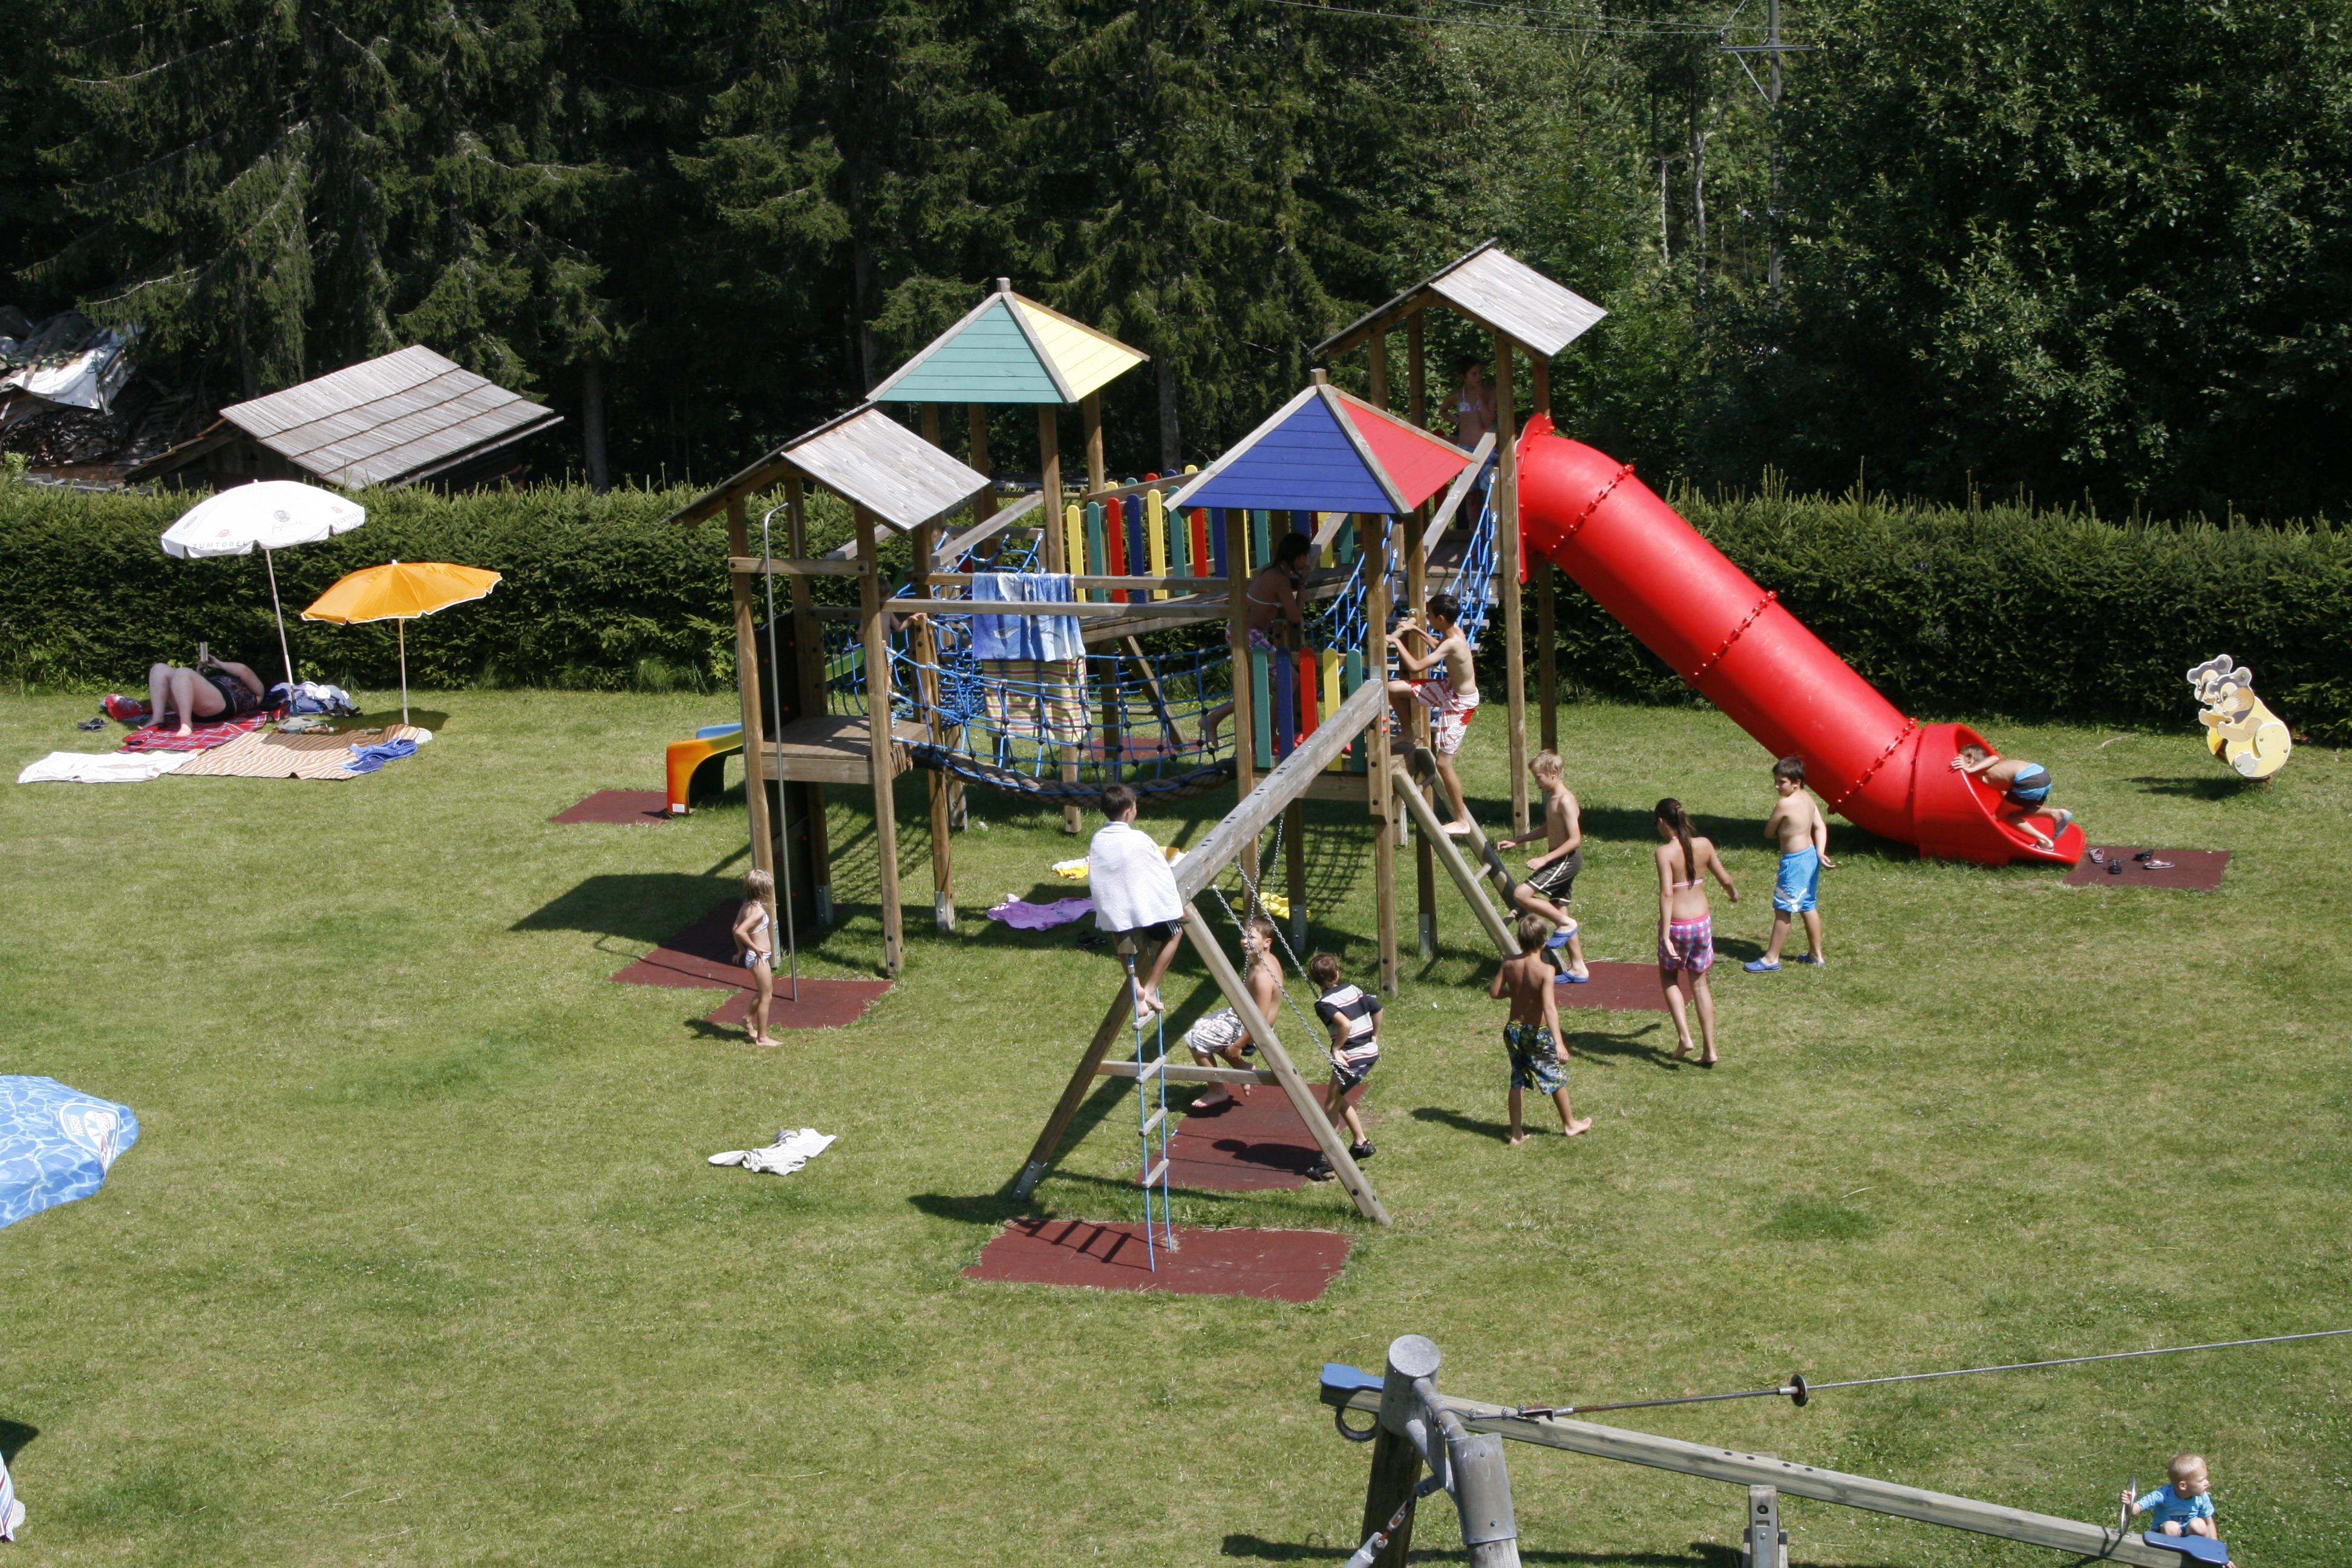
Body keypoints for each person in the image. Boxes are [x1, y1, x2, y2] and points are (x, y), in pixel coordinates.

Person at [1489, 912, 1592, 1143]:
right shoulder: (1546, 970)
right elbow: (1549, 1008)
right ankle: (1570, 1124)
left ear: (1520, 939)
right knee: (1555, 1076)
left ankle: (1516, 1134)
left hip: (1513, 1030)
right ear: (1544, 941)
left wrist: (1513, 993)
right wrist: (1559, 1043)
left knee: (1518, 1079)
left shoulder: (1509, 963)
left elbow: (1494, 992)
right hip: (1537, 1032)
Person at [1387, 592, 1480, 834]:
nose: (1427, 618)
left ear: (1440, 619)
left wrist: (1397, 642)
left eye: (1429, 615)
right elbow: (1438, 647)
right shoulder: (1453, 631)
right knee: (1393, 689)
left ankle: (1462, 821)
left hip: (1461, 705)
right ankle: (1407, 732)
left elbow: (1416, 666)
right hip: (1449, 690)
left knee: (1444, 763)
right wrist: (1416, 630)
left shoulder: (1454, 641)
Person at [1089, 783, 1185, 1017]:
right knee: (1175, 934)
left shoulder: (1098, 839)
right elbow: (1159, 871)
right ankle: (1150, 988)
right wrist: (1172, 904)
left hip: (1115, 910)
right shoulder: (1139, 839)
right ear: (1128, 812)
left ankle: (1136, 986)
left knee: (1124, 944)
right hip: (1144, 908)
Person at [1654, 798, 1737, 1066]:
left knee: (1669, 977)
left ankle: (1685, 1037)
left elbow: (1667, 894)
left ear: (1661, 822)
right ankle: (1710, 1049)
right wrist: (1733, 893)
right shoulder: (1704, 845)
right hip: (1702, 923)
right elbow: (1725, 878)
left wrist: (1665, 935)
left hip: (1678, 925)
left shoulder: (1665, 853)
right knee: (1700, 984)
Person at [1495, 750, 1591, 982]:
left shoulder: (1566, 800)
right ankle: (1579, 968)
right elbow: (1549, 828)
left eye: (1539, 777)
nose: (1537, 782)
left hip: (1566, 859)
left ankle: (1566, 924)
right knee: (1559, 908)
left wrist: (1545, 859)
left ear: (1554, 772)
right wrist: (1518, 840)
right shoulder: (1554, 799)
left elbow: (1575, 840)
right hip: (1560, 858)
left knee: (1522, 894)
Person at [1181, 914, 1280, 1111]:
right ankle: (1242, 1068)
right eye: (1243, 936)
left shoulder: (1263, 976)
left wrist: (1238, 1044)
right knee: (1202, 1026)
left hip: (1253, 1029)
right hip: (1244, 1018)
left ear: (1267, 942)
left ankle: (1217, 1090)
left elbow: (1259, 1022)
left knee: (1195, 1038)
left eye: (1251, 937)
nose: (1245, 941)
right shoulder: (1259, 959)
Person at [1748, 756, 1834, 972]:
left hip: (1794, 863)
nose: (1777, 786)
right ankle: (1816, 955)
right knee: (1808, 906)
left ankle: (1771, 959)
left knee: (1783, 909)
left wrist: (1782, 832)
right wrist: (1820, 852)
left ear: (1797, 783)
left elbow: (1769, 833)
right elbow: (1820, 826)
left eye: (1782, 782)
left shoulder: (1784, 804)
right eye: (1775, 781)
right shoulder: (1808, 798)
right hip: (1810, 857)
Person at [1303, 952, 1379, 1181]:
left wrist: (1337, 1048)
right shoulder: (1353, 989)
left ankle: (1328, 1161)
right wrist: (1375, 1035)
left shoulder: (1323, 1004)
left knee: (1330, 1106)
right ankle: (1361, 1143)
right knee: (1337, 1097)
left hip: (1352, 1056)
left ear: (1314, 980)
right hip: (1369, 1051)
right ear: (1337, 973)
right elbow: (1378, 1008)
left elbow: (1344, 1025)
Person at [1950, 742, 2076, 851]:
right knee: (2020, 812)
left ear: (1970, 759)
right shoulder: (1986, 775)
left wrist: (1969, 769)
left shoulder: (1986, 766)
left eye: (1959, 758)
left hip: (2028, 780)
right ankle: (2056, 814)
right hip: (2041, 776)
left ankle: (2045, 842)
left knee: (2004, 816)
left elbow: (1994, 758)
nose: (1956, 762)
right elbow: (2005, 790)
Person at [144, 653, 266, 737]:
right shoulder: (224, 679)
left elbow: (244, 670)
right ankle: (157, 719)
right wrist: (199, 674)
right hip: (195, 707)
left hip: (222, 705)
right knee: (159, 668)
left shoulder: (258, 693)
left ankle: (186, 724)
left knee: (183, 672)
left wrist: (219, 664)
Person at [2122, 1455, 2223, 1550]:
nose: (2207, 1483)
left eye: (2206, 1479)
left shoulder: (2202, 1497)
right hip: (2165, 1535)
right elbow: (2135, 1510)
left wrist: (2216, 1549)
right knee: (2171, 1528)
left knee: (2199, 1525)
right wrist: (2129, 1504)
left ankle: (2202, 1551)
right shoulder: (2164, 1495)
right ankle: (2170, 1556)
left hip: (2188, 1534)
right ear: (2183, 1486)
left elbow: (2209, 1523)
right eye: (2201, 1481)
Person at [731, 869, 781, 1047]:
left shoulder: (746, 906)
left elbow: (734, 928)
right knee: (767, 995)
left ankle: (746, 1019)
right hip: (759, 958)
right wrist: (755, 948)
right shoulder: (758, 912)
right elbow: (740, 931)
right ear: (763, 891)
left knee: (762, 992)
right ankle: (762, 1038)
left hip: (755, 957)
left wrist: (740, 950)